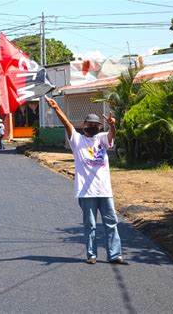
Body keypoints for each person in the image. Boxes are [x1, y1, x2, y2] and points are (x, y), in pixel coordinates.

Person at [45, 95, 129, 266]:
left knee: (111, 223)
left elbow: (111, 135)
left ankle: (115, 255)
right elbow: (67, 124)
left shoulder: (101, 139)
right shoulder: (77, 140)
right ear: (84, 125)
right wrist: (56, 108)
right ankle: (91, 254)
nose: (93, 127)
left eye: (96, 125)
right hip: (86, 191)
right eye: (90, 125)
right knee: (90, 224)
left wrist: (112, 124)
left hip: (104, 190)